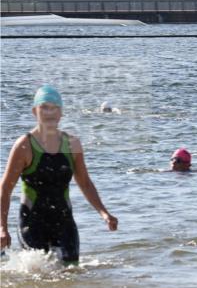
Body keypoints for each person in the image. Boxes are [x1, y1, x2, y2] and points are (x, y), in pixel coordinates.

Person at [0, 85, 118, 264]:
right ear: (35, 111)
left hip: (64, 221)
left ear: (61, 112)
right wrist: (2, 227)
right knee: (37, 276)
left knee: (72, 273)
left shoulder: (72, 144)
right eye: (44, 107)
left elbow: (85, 183)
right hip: (32, 222)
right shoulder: (24, 146)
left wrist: (104, 213)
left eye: (54, 107)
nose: (49, 112)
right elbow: (5, 188)